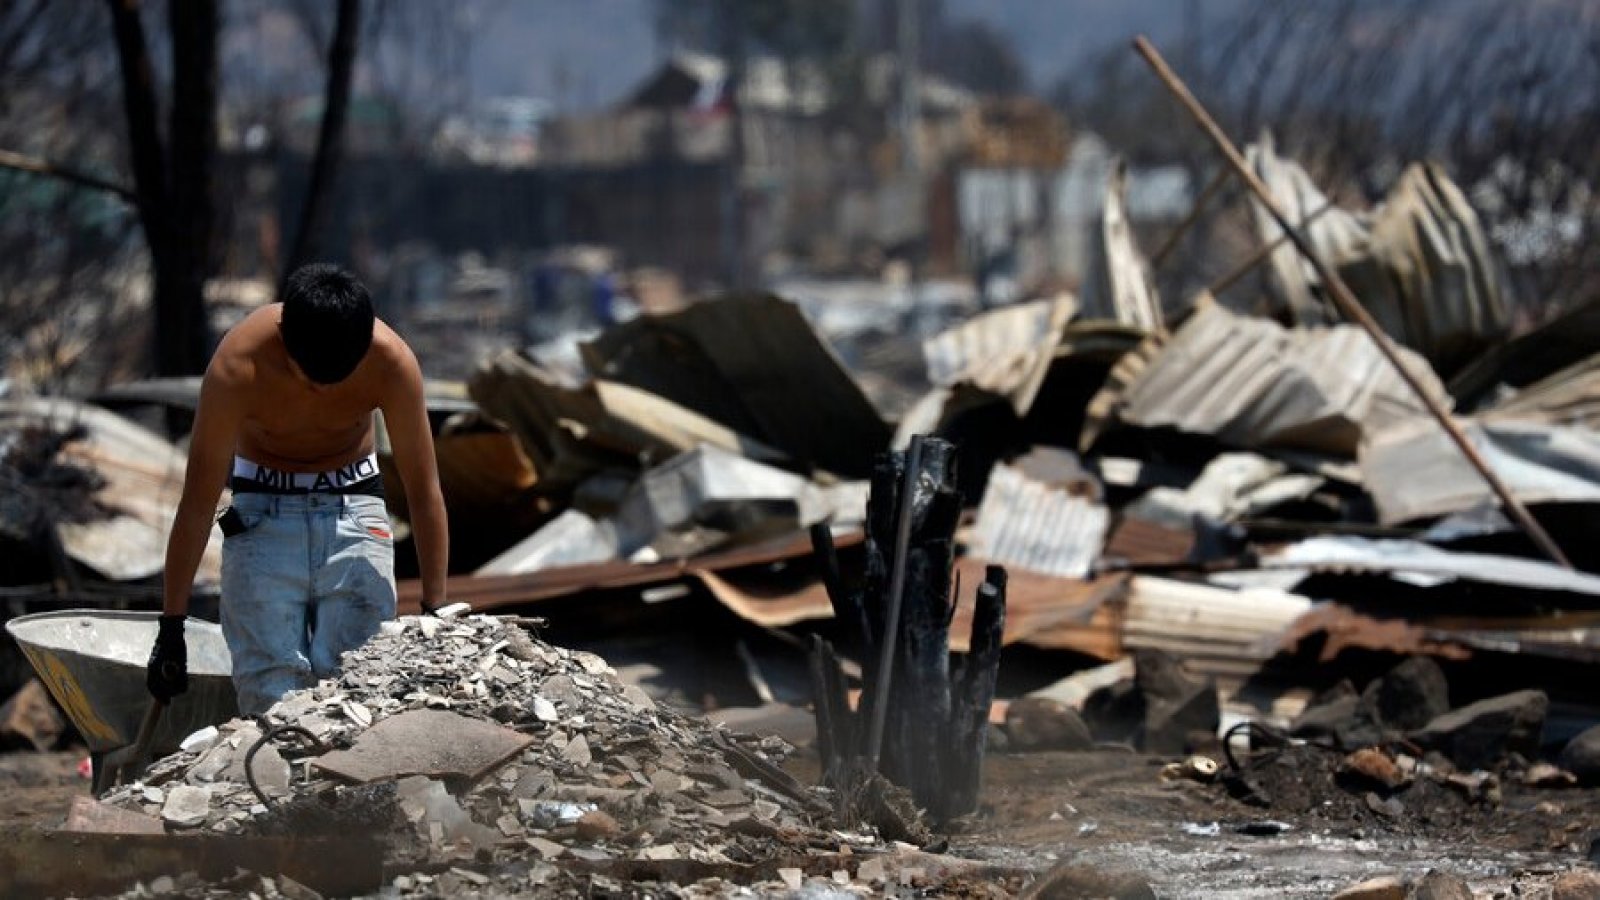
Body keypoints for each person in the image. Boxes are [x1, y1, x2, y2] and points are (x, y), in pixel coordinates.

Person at [146, 264, 449, 716]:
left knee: (361, 689)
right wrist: (171, 625)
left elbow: (423, 489)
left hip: (355, 509)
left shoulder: (391, 363)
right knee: (271, 699)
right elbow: (198, 500)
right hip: (262, 514)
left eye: (336, 382)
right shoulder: (237, 366)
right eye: (307, 377)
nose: (319, 393)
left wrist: (434, 609)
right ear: (284, 333)